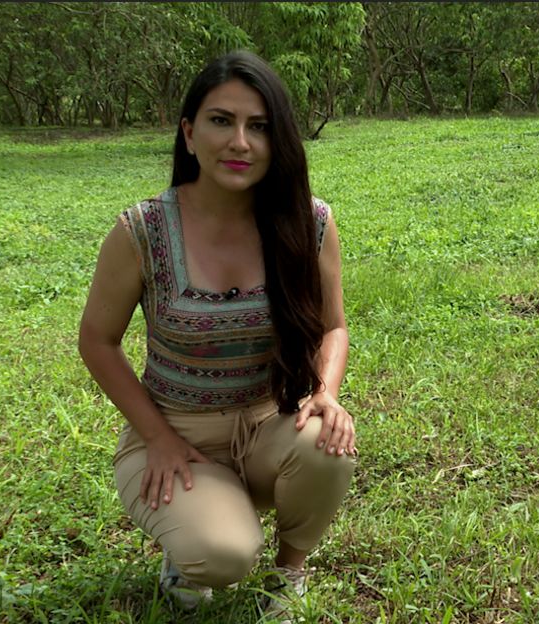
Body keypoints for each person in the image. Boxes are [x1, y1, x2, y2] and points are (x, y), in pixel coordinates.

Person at [78, 50, 357, 618]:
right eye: (221, 121)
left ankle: (290, 573)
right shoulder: (142, 231)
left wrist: (325, 392)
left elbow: (333, 326)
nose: (240, 143)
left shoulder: (309, 222)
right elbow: (97, 341)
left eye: (259, 126)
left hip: (268, 423)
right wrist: (156, 436)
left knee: (327, 446)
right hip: (174, 437)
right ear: (188, 132)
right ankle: (190, 546)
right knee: (224, 555)